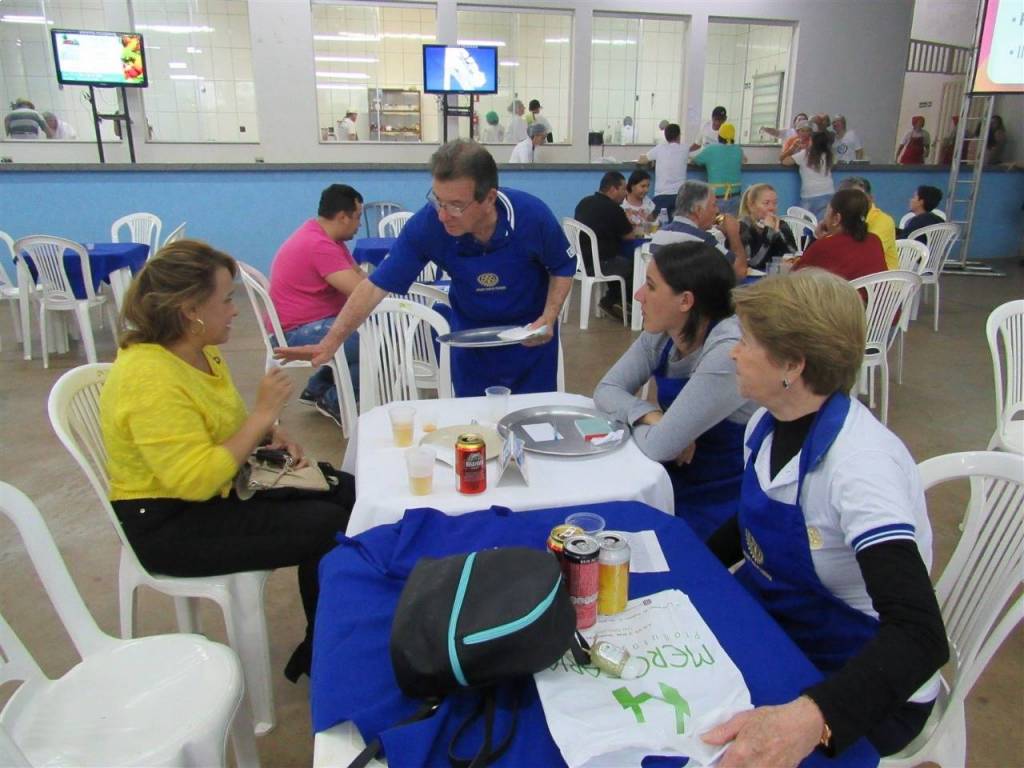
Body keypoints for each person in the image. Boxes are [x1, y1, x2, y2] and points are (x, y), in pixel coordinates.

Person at [701, 269, 947, 763]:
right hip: (785, 628)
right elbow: (750, 522)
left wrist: (813, 716)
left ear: (793, 364)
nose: (733, 353)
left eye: (746, 341)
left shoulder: (860, 467)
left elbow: (920, 636)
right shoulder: (766, 425)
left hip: (859, 679)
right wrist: (690, 566)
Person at [99, 240, 353, 682]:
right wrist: (262, 417)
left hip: (218, 490)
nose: (234, 310)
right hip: (167, 522)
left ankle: (335, 639)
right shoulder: (148, 376)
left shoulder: (198, 349)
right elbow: (195, 481)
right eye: (226, 299)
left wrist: (270, 435)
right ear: (190, 310)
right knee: (328, 526)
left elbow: (225, 422)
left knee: (348, 491)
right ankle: (326, 654)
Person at [276, 140, 574, 397]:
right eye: (437, 201)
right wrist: (331, 342)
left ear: (489, 199)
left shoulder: (531, 216)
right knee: (475, 428)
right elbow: (375, 286)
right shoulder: (429, 225)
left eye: (456, 205)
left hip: (529, 340)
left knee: (533, 429)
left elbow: (562, 265)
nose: (443, 215)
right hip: (471, 341)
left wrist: (549, 316)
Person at [595, 242, 757, 540]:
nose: (638, 295)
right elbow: (606, 390)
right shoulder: (664, 332)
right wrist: (651, 415)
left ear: (685, 301)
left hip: (722, 498)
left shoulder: (727, 352)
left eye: (650, 286)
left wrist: (662, 432)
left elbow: (659, 447)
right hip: (672, 476)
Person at [269, 184, 365, 426]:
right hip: (295, 333)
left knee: (366, 332)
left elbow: (360, 277)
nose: (359, 225)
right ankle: (334, 401)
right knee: (376, 343)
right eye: (358, 217)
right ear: (342, 217)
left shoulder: (326, 237)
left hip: (304, 324)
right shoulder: (319, 245)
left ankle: (318, 387)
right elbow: (361, 292)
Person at [650, 180, 748, 280]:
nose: (717, 210)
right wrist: (733, 233)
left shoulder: (660, 234)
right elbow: (740, 271)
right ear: (698, 210)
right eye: (714, 205)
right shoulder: (702, 241)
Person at [573, 171, 634, 320]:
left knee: (618, 261)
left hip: (581, 262)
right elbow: (629, 236)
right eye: (624, 189)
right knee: (634, 267)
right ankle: (615, 302)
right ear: (613, 189)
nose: (626, 193)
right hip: (601, 263)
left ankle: (616, 302)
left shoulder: (584, 202)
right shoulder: (614, 209)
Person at [794, 189, 886, 281]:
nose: (824, 218)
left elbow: (793, 276)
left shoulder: (824, 247)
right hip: (877, 291)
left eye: (827, 212)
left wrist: (818, 239)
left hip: (846, 291)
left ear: (836, 219)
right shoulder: (875, 240)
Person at [837, 176, 897, 270]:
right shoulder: (841, 219)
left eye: (859, 197)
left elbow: (867, 255)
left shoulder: (884, 221)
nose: (856, 202)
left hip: (881, 277)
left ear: (871, 198)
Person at [737, 183, 798, 271]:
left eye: (775, 203)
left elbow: (793, 257)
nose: (772, 208)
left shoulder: (781, 224)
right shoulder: (742, 227)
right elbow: (754, 263)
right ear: (751, 206)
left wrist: (777, 233)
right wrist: (769, 231)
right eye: (766, 203)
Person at [781, 127, 835, 221]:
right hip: (828, 192)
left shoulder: (805, 154)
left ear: (812, 142)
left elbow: (785, 161)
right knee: (823, 223)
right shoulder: (829, 155)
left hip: (810, 194)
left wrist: (793, 148)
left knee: (804, 224)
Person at [690, 122, 744, 215]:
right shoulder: (739, 150)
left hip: (718, 197)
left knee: (716, 224)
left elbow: (695, 160)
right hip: (736, 196)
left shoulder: (711, 149)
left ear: (719, 136)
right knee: (732, 223)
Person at [638, 123, 687, 218]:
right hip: (681, 196)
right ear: (679, 136)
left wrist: (654, 161)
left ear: (665, 136)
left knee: (660, 224)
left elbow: (642, 160)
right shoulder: (685, 148)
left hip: (661, 196)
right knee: (678, 224)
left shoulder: (660, 148)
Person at [621, 169, 656, 235]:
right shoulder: (622, 203)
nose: (646, 190)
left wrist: (647, 220)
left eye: (648, 186)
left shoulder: (648, 202)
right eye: (643, 186)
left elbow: (652, 227)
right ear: (632, 186)